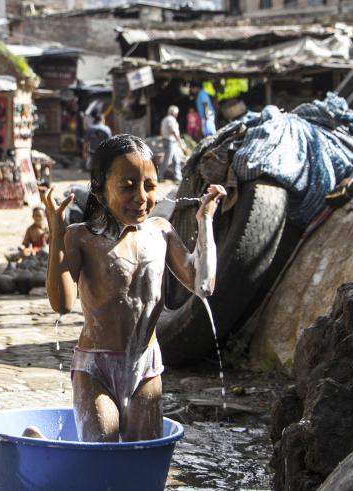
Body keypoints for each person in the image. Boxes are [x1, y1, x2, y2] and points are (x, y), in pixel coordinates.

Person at [43, 134, 225, 442]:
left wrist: (205, 220)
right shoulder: (82, 237)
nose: (140, 197)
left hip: (146, 366)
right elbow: (61, 304)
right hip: (95, 368)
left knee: (143, 454)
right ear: (99, 189)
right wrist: (57, 233)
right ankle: (45, 449)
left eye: (149, 186)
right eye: (127, 186)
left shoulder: (161, 233)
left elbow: (203, 285)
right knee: (102, 454)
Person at [159, 105, 189, 182]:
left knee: (176, 160)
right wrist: (179, 141)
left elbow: (161, 131)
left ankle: (177, 177)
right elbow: (174, 131)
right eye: (176, 113)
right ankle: (159, 176)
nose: (177, 114)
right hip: (170, 141)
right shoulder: (171, 119)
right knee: (167, 160)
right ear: (174, 112)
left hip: (169, 141)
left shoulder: (165, 119)